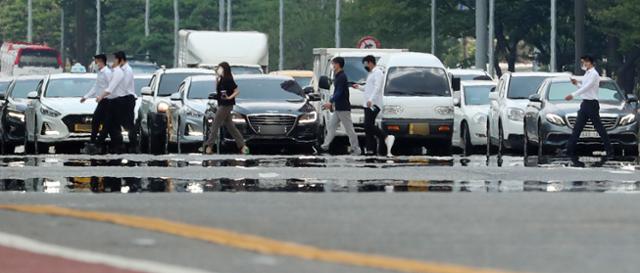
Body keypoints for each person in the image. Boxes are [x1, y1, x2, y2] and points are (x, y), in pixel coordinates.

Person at [564, 55, 612, 167]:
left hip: (592, 104)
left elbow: (587, 88)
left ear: (589, 62)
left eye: (584, 62)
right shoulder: (587, 74)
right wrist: (576, 84)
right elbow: (584, 88)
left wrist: (572, 95)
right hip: (585, 103)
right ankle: (568, 150)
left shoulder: (594, 74)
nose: (583, 64)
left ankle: (609, 150)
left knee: (599, 127)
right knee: (577, 127)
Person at [353, 55, 395, 157]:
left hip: (374, 104)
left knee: (368, 125)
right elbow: (368, 88)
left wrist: (371, 100)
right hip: (367, 104)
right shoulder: (371, 74)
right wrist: (358, 87)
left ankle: (385, 137)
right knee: (368, 128)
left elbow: (377, 87)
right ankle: (370, 149)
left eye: (366, 64)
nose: (365, 66)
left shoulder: (378, 72)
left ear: (370, 62)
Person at [204, 62, 250, 155]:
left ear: (225, 69)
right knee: (230, 126)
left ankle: (209, 146)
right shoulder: (221, 79)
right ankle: (242, 146)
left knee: (215, 123)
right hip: (221, 104)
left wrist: (230, 97)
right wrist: (216, 80)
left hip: (226, 105)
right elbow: (218, 91)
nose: (218, 70)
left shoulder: (228, 79)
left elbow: (237, 91)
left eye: (220, 68)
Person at [319, 57, 361, 155]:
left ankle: (356, 148)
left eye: (333, 64)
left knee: (349, 129)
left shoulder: (342, 77)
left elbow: (339, 92)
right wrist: (331, 102)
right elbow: (336, 92)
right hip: (338, 108)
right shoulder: (338, 76)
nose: (332, 66)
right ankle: (325, 146)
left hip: (343, 108)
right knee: (331, 126)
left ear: (338, 65)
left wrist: (331, 102)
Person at [80, 54, 112, 154]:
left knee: (103, 123)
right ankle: (94, 142)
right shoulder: (100, 73)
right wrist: (86, 96)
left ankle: (97, 143)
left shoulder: (107, 73)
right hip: (101, 100)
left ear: (101, 61)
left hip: (107, 101)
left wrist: (101, 96)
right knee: (96, 121)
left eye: (96, 61)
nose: (95, 63)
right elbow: (96, 87)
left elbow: (112, 87)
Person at [97, 54, 127, 153]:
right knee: (113, 126)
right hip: (113, 101)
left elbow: (111, 88)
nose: (111, 62)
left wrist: (101, 96)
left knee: (108, 124)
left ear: (119, 61)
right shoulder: (115, 72)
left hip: (116, 101)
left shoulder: (118, 72)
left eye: (113, 60)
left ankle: (98, 145)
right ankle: (118, 146)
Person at [112, 51, 138, 153]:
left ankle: (133, 145)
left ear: (121, 59)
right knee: (117, 122)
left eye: (115, 59)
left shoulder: (127, 70)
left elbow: (124, 85)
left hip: (127, 98)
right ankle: (120, 144)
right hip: (122, 98)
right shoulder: (121, 69)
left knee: (128, 123)